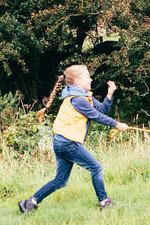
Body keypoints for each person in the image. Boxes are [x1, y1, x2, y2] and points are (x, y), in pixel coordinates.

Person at [19, 65, 129, 214]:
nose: (90, 79)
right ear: (77, 81)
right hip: (67, 143)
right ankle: (104, 202)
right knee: (96, 168)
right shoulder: (77, 100)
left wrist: (109, 95)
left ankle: (29, 203)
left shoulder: (84, 97)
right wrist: (116, 124)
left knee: (60, 180)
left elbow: (102, 110)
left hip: (62, 142)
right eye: (87, 76)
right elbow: (95, 116)